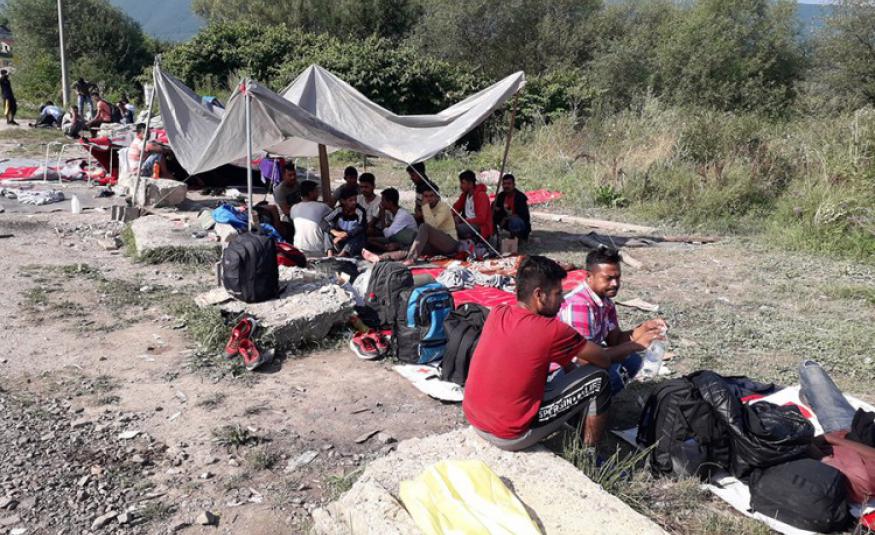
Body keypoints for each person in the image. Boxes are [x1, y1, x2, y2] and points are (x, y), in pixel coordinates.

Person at [463, 255, 664, 452]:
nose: (562, 300)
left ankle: (575, 418)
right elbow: (602, 360)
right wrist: (637, 345)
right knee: (599, 379)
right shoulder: (551, 329)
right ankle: (589, 455)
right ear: (539, 295)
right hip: (509, 433)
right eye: (558, 293)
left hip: (475, 418)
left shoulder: (499, 312)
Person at [560, 248, 667, 395]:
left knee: (632, 361)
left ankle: (600, 400)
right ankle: (586, 407)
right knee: (614, 374)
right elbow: (583, 359)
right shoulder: (579, 305)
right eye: (608, 278)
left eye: (617, 277)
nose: (615, 283)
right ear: (589, 276)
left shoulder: (605, 301)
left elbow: (615, 340)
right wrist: (635, 345)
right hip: (562, 373)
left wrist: (645, 328)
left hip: (588, 360)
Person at [363, 188, 458, 265]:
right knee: (409, 249)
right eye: (426, 196)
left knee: (424, 227)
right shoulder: (426, 209)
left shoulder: (443, 208)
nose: (428, 199)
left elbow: (433, 226)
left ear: (437, 197)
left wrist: (424, 208)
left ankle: (411, 259)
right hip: (434, 245)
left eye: (431, 196)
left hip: (449, 243)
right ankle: (380, 258)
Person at [290, 181, 331, 256]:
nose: (318, 194)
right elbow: (334, 215)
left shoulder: (294, 208)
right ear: (311, 193)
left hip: (298, 248)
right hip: (317, 250)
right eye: (316, 191)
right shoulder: (322, 207)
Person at [324, 187, 367, 257]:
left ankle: (342, 254)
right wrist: (334, 232)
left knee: (360, 234)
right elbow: (323, 222)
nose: (354, 202)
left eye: (355, 200)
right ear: (343, 201)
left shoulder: (360, 211)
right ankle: (330, 254)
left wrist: (345, 235)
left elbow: (361, 227)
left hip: (353, 242)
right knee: (327, 231)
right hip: (339, 240)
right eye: (351, 200)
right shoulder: (338, 210)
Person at [452, 170, 493, 242]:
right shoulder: (465, 195)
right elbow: (455, 208)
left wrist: (463, 220)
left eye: (463, 183)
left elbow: (481, 219)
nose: (461, 186)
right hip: (467, 222)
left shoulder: (481, 196)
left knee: (458, 229)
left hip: (480, 226)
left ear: (470, 184)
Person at [492, 173, 531, 240]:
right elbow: (494, 205)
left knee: (515, 221)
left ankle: (517, 239)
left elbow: (522, 215)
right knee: (490, 214)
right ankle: (493, 237)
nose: (506, 186)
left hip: (519, 223)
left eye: (509, 184)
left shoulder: (520, 197)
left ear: (514, 185)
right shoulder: (501, 196)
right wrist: (495, 207)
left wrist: (505, 219)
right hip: (505, 221)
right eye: (504, 184)